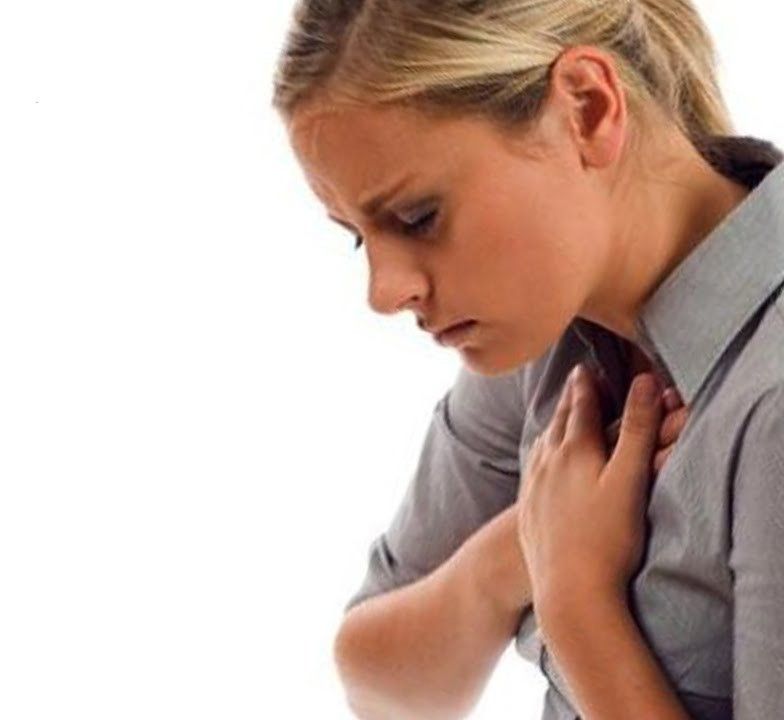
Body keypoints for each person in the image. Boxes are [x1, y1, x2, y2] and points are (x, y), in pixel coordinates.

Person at [271, 1, 784, 718]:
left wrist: (574, 597)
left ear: (587, 108)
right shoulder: (549, 328)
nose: (384, 292)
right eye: (358, 235)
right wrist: (516, 551)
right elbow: (383, 687)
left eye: (418, 217)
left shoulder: (770, 401)